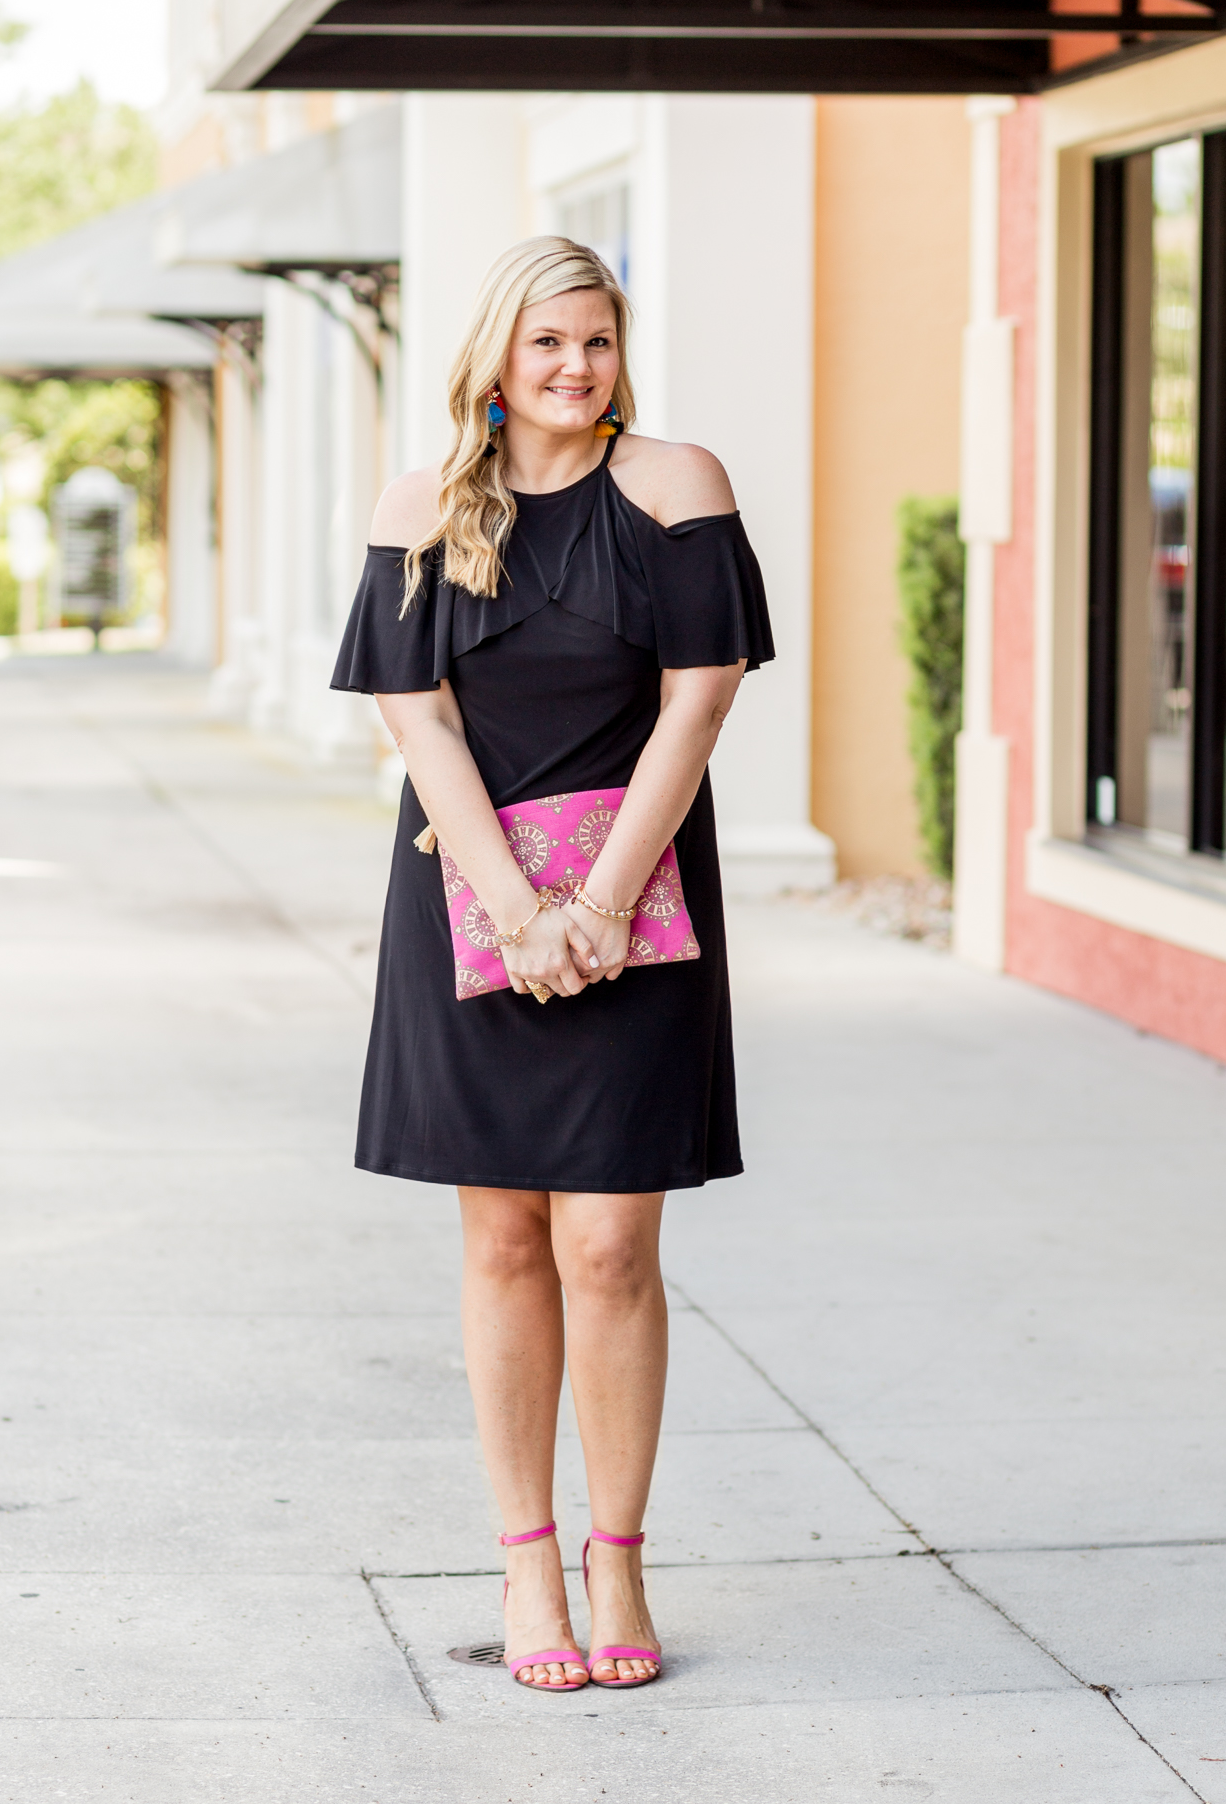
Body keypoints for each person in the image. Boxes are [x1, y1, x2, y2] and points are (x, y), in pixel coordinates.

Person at [331, 236, 774, 1691]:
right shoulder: (421, 509)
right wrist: (520, 908)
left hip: (636, 910)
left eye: (595, 340)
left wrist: (599, 901)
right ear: (496, 362)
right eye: (546, 346)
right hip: (470, 907)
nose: (575, 368)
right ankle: (526, 1567)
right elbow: (419, 721)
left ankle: (619, 1559)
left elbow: (698, 697)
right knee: (505, 1239)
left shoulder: (676, 486)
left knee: (609, 1244)